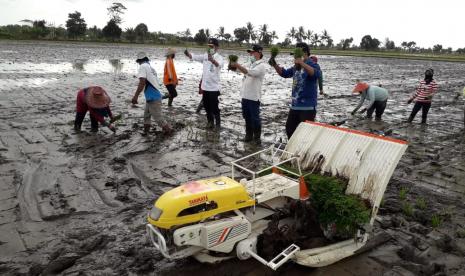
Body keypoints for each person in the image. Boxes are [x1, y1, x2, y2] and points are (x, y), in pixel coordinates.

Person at [270, 42, 321, 139]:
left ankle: (303, 152)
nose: (294, 57)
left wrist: (302, 63)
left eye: (297, 55)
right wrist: (274, 64)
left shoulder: (313, 64)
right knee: (289, 129)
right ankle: (292, 149)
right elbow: (284, 73)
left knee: (306, 135)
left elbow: (316, 74)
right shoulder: (295, 67)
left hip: (307, 107)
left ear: (305, 53)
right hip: (295, 105)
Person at [229, 44, 267, 145]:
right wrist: (232, 66)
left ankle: (257, 138)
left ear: (259, 53)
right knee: (246, 116)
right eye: (250, 53)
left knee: (255, 117)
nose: (251, 54)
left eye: (252, 52)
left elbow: (250, 73)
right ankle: (248, 135)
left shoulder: (261, 66)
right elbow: (241, 70)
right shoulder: (252, 64)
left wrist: (237, 65)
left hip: (254, 97)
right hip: (245, 95)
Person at [184, 38, 224, 129]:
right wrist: (188, 54)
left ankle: (218, 124)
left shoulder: (219, 57)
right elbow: (196, 57)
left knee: (214, 107)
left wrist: (212, 60)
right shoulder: (206, 55)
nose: (210, 47)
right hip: (205, 87)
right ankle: (210, 122)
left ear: (217, 47)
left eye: (212, 46)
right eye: (209, 46)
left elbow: (219, 65)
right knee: (206, 106)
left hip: (214, 87)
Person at [131, 52, 172, 136]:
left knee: (158, 118)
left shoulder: (143, 66)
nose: (138, 63)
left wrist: (135, 96)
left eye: (138, 62)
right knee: (146, 116)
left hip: (153, 97)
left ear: (139, 61)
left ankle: (169, 132)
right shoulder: (151, 68)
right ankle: (146, 132)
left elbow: (142, 83)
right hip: (151, 96)